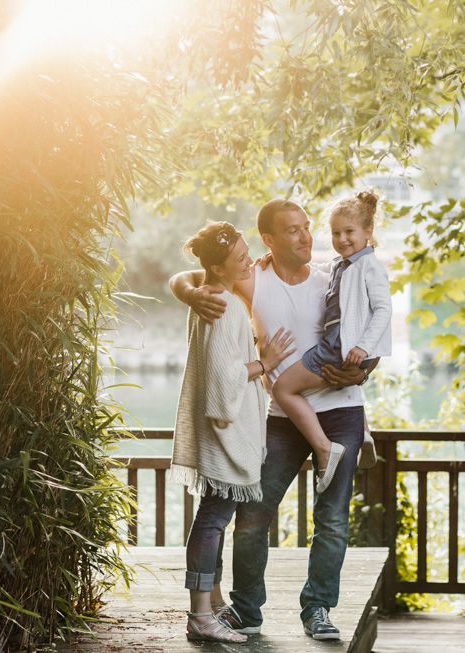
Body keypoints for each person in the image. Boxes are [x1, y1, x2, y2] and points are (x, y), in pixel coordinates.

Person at [169, 198, 375, 641]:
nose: (306, 236)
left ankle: (317, 609)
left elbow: (370, 323)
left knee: (333, 520)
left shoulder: (331, 278)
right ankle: (245, 611)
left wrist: (364, 368)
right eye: (294, 230)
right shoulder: (252, 278)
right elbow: (193, 275)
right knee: (252, 515)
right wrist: (189, 293)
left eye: (306, 227)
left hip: (340, 412)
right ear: (270, 240)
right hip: (281, 418)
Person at [170, 221, 296, 643]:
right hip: (224, 437)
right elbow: (224, 382)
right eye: (240, 258)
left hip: (217, 437)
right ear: (219, 268)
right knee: (212, 520)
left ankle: (212, 604)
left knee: (213, 517)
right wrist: (265, 360)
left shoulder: (210, 295)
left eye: (246, 252)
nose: (249, 260)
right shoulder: (222, 306)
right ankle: (201, 616)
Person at [271, 190, 392, 495]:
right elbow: (317, 272)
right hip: (340, 346)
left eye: (349, 232)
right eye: (336, 233)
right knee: (324, 384)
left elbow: (383, 310)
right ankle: (362, 433)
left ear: (368, 232)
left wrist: (364, 348)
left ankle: (325, 449)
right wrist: (270, 259)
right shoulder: (343, 265)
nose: (342, 239)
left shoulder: (370, 266)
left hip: (339, 348)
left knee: (282, 388)